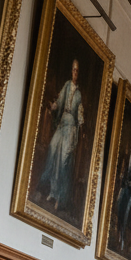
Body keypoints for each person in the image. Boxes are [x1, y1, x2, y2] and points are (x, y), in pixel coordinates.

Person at [37, 59, 85, 213]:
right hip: (62, 121)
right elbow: (58, 101)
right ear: (71, 71)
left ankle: (60, 197)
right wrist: (53, 106)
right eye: (73, 70)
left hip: (71, 126)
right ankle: (52, 190)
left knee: (64, 160)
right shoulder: (66, 85)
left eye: (77, 71)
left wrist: (81, 123)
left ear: (79, 73)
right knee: (52, 150)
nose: (75, 73)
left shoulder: (79, 94)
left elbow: (80, 113)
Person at [114, 134, 131, 253]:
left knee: (126, 217)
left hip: (129, 192)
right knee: (118, 211)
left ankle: (123, 240)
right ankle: (117, 236)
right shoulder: (125, 158)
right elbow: (120, 173)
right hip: (123, 189)